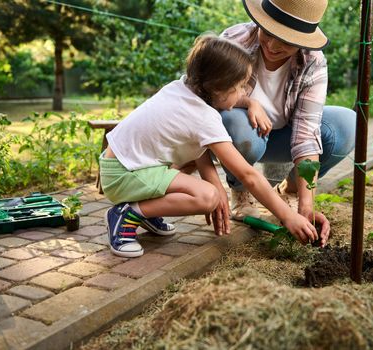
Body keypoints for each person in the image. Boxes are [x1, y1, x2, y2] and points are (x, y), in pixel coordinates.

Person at [100, 34, 322, 258]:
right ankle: (127, 215)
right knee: (207, 197)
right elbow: (248, 175)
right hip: (125, 174)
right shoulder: (204, 117)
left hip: (121, 164)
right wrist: (287, 216)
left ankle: (147, 212)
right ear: (218, 89)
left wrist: (219, 190)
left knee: (211, 191)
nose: (245, 93)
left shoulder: (183, 88)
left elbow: (200, 152)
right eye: (240, 86)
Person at [219, 0, 356, 235]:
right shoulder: (235, 41)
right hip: (242, 138)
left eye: (285, 40)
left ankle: (290, 191)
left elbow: (306, 136)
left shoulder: (312, 62)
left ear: (302, 42)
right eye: (268, 32)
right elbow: (206, 95)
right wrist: (248, 102)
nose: (272, 45)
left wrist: (307, 206)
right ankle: (240, 190)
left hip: (284, 138)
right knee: (235, 122)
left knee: (346, 124)